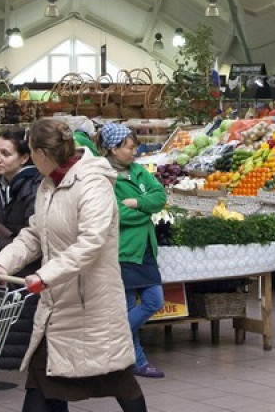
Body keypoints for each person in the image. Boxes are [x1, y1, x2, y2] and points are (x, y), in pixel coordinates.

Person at [0, 118, 147, 412]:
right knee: (42, 387)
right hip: (57, 308)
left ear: (41, 155)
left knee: (120, 383)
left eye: (31, 153)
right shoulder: (48, 185)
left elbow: (91, 243)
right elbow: (35, 233)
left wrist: (45, 276)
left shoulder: (92, 184)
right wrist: (1, 264)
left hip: (92, 308)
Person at [0, 128, 54, 382]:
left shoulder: (35, 188)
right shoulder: (0, 186)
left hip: (26, 276)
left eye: (5, 153)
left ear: (25, 158)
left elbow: (33, 235)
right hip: (7, 272)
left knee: (32, 359)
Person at [98, 123, 168, 379]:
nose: (135, 152)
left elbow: (160, 197)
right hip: (122, 251)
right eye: (129, 147)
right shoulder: (103, 177)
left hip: (146, 249)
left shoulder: (138, 171)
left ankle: (112, 343)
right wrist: (144, 214)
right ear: (113, 149)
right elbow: (114, 213)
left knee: (154, 301)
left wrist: (138, 203)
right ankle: (137, 362)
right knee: (128, 309)